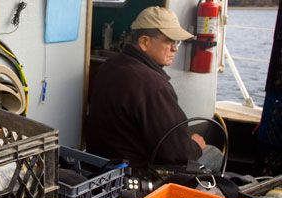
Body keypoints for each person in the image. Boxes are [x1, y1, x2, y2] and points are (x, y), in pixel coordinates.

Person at [85, 6, 223, 173]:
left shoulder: (110, 66)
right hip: (136, 175)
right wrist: (195, 146)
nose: (175, 48)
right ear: (144, 42)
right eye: (169, 41)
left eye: (177, 42)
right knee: (214, 154)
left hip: (102, 167)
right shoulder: (152, 85)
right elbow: (177, 154)